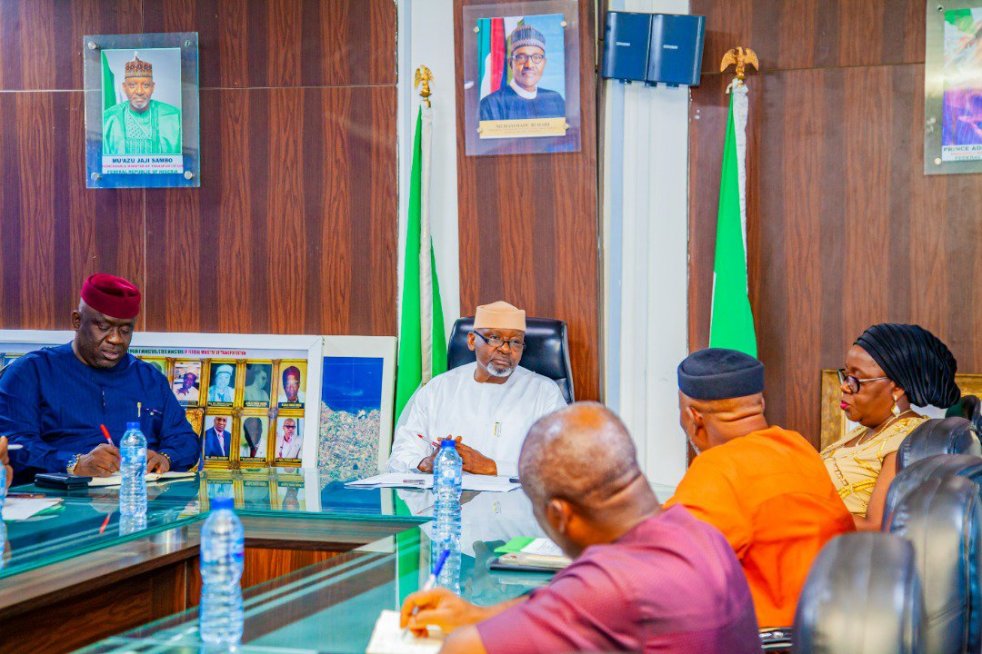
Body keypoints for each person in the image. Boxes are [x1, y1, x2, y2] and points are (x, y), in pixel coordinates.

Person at [400, 403, 762, 653]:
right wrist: (475, 614)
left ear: (559, 515)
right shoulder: (697, 531)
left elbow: (463, 649)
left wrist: (464, 632)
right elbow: (560, 603)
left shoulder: (611, 587)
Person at [666, 348, 855, 629]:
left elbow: (665, 561)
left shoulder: (719, 468)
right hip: (829, 629)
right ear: (760, 404)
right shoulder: (798, 448)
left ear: (693, 417)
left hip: (762, 639)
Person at [0, 274, 200, 484]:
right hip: (61, 498)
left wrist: (166, 458)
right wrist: (73, 464)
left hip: (137, 496)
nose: (116, 339)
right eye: (103, 327)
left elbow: (185, 440)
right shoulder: (31, 372)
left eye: (125, 330)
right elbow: (12, 444)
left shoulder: (149, 379)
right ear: (77, 321)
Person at [387, 301, 567, 477]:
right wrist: (426, 463)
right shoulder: (438, 389)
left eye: (515, 342)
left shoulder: (544, 393)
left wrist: (492, 467)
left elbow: (561, 464)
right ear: (472, 340)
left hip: (515, 496)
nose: (505, 349)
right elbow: (400, 456)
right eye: (495, 338)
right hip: (450, 494)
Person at [821, 323, 960, 529]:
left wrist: (799, 508)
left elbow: (877, 528)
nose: (844, 386)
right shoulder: (868, 428)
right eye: (846, 375)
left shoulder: (907, 443)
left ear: (897, 388)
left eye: (856, 380)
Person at [479, 25, 566, 122]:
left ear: (544, 63)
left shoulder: (556, 100)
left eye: (537, 57)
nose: (529, 65)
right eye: (521, 57)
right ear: (511, 63)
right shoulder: (490, 105)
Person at [102, 54, 182, 155]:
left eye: (146, 85)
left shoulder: (174, 117)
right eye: (132, 85)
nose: (139, 91)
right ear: (124, 87)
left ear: (153, 87)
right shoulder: (108, 119)